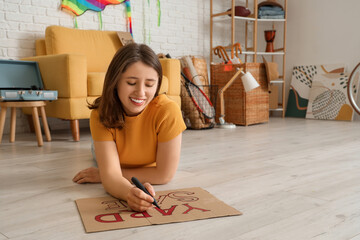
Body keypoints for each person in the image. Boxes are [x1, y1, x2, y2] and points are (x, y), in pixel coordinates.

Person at [72, 43, 186, 212]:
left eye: (149, 85)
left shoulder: (168, 111)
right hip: (112, 149)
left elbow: (164, 175)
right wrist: (128, 192)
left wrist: (104, 174)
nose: (140, 93)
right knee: (96, 152)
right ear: (116, 81)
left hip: (130, 160)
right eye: (131, 82)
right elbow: (111, 176)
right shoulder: (100, 114)